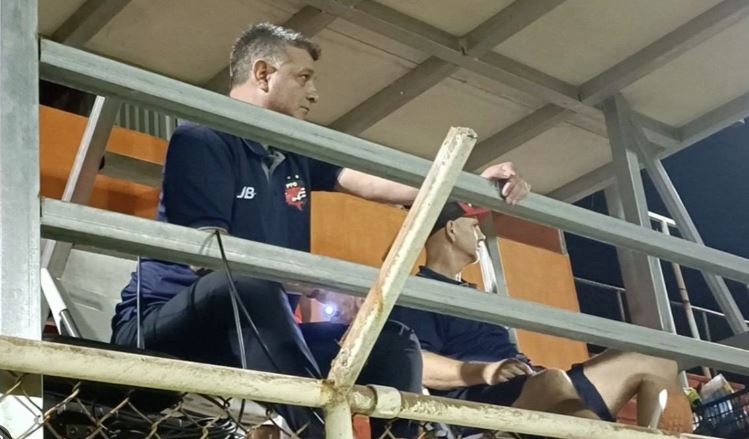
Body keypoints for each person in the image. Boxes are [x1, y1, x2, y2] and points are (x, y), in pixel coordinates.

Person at [109, 22, 530, 437]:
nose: (314, 93)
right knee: (249, 285)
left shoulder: (296, 150)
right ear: (263, 74)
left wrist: (470, 183)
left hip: (251, 337)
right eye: (303, 77)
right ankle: (317, 434)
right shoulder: (203, 138)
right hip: (167, 327)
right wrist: (319, 286)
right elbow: (212, 260)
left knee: (392, 340)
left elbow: (374, 183)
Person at [390, 203, 693, 436]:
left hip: (541, 391)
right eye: (475, 226)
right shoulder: (421, 291)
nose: (481, 236)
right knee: (551, 380)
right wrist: (485, 371)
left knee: (653, 358)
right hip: (491, 406)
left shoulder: (474, 294)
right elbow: (415, 362)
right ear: (452, 229)